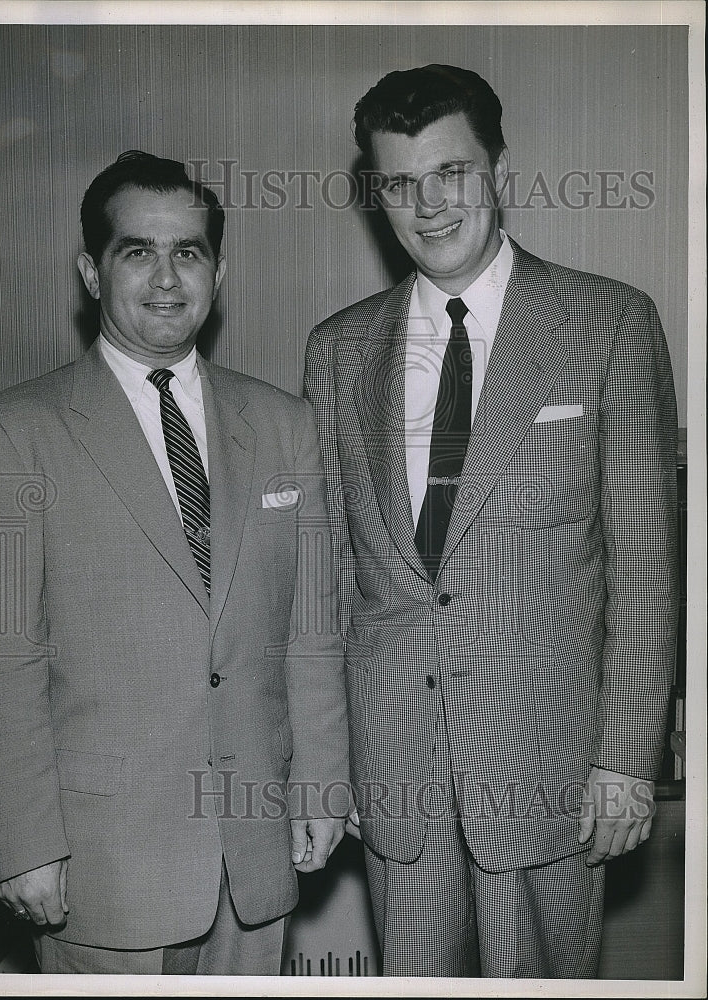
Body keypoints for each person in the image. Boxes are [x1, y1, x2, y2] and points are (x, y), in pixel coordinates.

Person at [303, 65, 679, 978]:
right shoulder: (336, 348)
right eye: (398, 183)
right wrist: (329, 762)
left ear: (499, 171)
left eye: (451, 174)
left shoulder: (608, 323)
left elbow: (643, 562)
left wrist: (627, 758)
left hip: (547, 760)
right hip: (394, 767)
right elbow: (327, 581)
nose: (427, 207)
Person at [0, 150, 349, 975]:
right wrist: (23, 844)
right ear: (91, 272)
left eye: (188, 252)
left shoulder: (282, 425)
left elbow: (312, 630)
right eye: (138, 251)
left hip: (254, 852)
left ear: (219, 270)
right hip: (102, 864)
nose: (167, 278)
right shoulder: (13, 433)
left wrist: (321, 785)